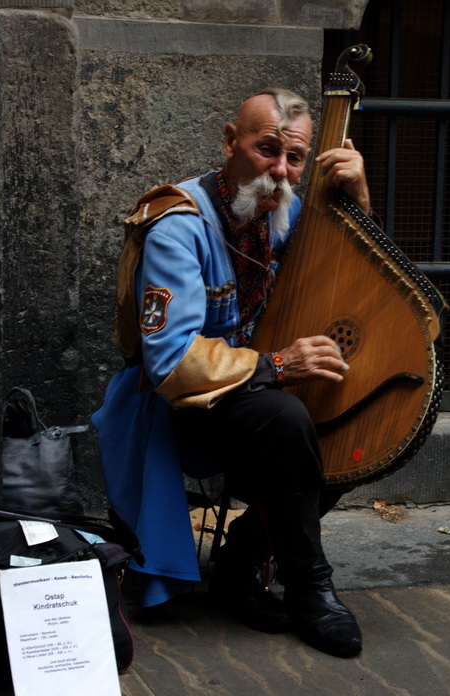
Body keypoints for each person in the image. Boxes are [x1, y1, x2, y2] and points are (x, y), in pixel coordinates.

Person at [92, 88, 375, 658]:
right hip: (177, 410)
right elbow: (170, 360)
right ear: (229, 141)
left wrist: (360, 199)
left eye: (295, 159)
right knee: (285, 414)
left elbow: (356, 276)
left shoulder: (285, 214)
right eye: (266, 149)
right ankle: (309, 588)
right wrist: (280, 363)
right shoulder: (178, 225)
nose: (279, 170)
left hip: (254, 399)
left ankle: (243, 556)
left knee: (366, 423)